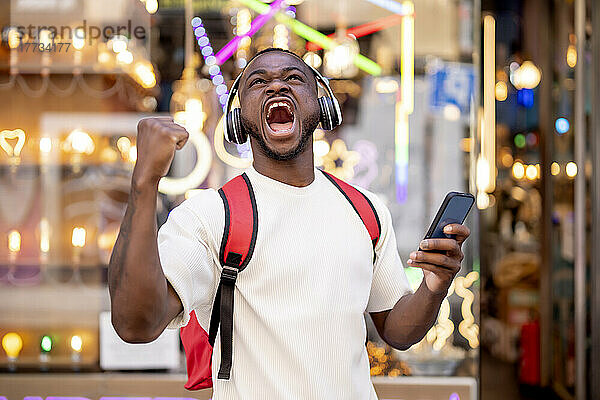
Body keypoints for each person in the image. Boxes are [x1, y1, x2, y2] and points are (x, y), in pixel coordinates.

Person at [108, 48, 470, 399]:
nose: (276, 86)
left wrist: (434, 286)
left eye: (294, 78)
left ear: (321, 105)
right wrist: (144, 183)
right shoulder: (210, 215)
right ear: (238, 119)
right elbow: (136, 325)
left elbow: (397, 330)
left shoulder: (366, 209)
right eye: (258, 82)